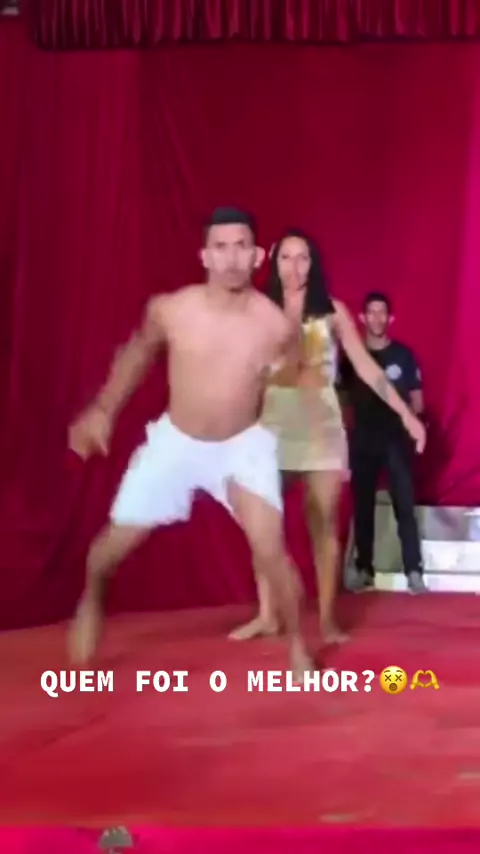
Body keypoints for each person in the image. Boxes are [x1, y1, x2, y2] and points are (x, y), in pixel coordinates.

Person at [67, 207, 312, 678]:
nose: (231, 258)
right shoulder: (172, 310)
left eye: (241, 246)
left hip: (243, 445)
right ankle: (91, 599)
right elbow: (137, 354)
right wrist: (103, 410)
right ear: (204, 256)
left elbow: (292, 371)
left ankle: (299, 645)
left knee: (271, 551)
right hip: (176, 443)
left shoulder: (275, 325)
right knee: (106, 554)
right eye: (221, 247)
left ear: (257, 255)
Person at [230, 231, 426, 644]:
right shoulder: (259, 311)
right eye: (286, 257)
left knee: (324, 527)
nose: (294, 266)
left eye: (303, 257)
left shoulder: (332, 312)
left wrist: (406, 414)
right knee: (262, 523)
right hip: (272, 429)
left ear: (313, 263)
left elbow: (368, 369)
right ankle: (267, 615)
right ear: (274, 262)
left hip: (321, 430)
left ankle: (326, 622)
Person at [341, 291, 427, 593]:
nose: (377, 318)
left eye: (382, 313)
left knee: (404, 505)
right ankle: (365, 568)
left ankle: (414, 571)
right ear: (361, 318)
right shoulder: (351, 358)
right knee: (363, 506)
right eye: (371, 312)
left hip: (395, 440)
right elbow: (340, 402)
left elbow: (417, 399)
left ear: (391, 319)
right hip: (362, 439)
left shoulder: (403, 356)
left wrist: (412, 425)